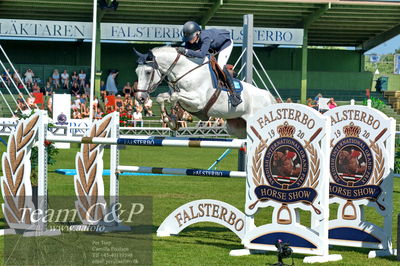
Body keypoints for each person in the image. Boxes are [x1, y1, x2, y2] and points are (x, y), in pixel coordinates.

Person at [177, 21, 241, 106]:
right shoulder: (190, 39)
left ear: (197, 33)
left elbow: (201, 54)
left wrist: (185, 51)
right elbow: (187, 53)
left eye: (191, 38)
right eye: (188, 39)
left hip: (225, 44)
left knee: (221, 66)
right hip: (212, 47)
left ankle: (235, 94)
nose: (190, 41)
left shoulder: (205, 37)